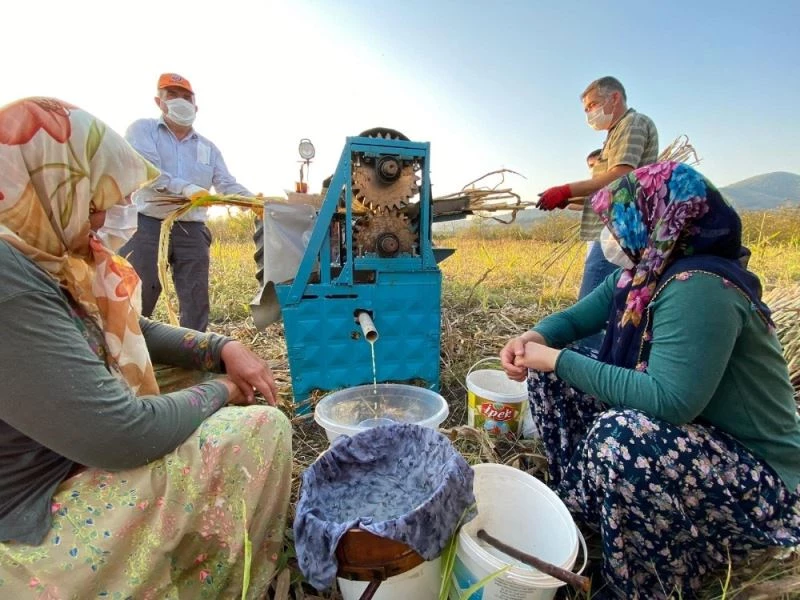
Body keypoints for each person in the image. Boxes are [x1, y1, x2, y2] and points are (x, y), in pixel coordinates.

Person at [0, 97, 292, 599]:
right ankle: (213, 580)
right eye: (95, 201)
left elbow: (133, 328)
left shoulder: (41, 254)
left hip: (53, 447)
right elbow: (123, 433)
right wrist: (224, 390)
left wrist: (222, 347)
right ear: (52, 184)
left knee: (191, 375)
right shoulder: (10, 281)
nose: (104, 220)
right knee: (261, 428)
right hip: (25, 521)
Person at [501, 162, 800, 599]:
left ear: (663, 223)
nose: (613, 237)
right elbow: (576, 318)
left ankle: (642, 584)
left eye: (622, 222)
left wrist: (557, 359)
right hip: (699, 440)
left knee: (622, 437)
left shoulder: (699, 286)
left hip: (759, 479)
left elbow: (670, 401)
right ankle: (584, 508)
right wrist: (535, 338)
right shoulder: (641, 278)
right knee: (553, 379)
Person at [122, 73, 255, 332]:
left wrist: (252, 201)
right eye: (172, 95)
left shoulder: (208, 148)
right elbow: (148, 171)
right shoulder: (142, 130)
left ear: (195, 107)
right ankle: (130, 354)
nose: (180, 101)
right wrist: (187, 188)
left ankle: (194, 357)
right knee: (139, 292)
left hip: (191, 229)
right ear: (159, 102)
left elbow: (226, 183)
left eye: (186, 97)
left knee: (195, 300)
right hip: (147, 225)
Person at [538, 77, 659, 302]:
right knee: (607, 305)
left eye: (592, 105)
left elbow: (620, 176)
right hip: (609, 229)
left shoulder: (632, 124)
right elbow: (608, 192)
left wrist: (565, 189)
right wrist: (569, 199)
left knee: (590, 305)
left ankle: (586, 340)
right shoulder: (615, 133)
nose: (590, 114)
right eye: (586, 109)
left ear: (615, 98)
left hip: (617, 230)